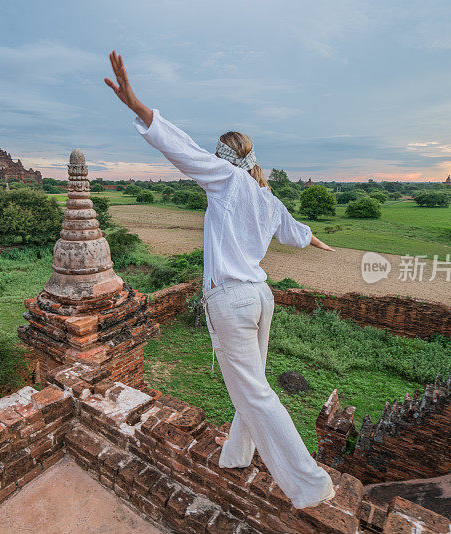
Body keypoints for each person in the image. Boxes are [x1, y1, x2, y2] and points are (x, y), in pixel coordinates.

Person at [105, 51, 337, 509]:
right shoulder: (268, 198)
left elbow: (182, 149)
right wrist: (320, 242)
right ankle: (238, 453)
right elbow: (297, 235)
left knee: (255, 391)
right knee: (253, 385)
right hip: (260, 296)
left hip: (232, 300)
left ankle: (309, 483)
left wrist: (139, 108)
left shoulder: (227, 180)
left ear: (225, 156)